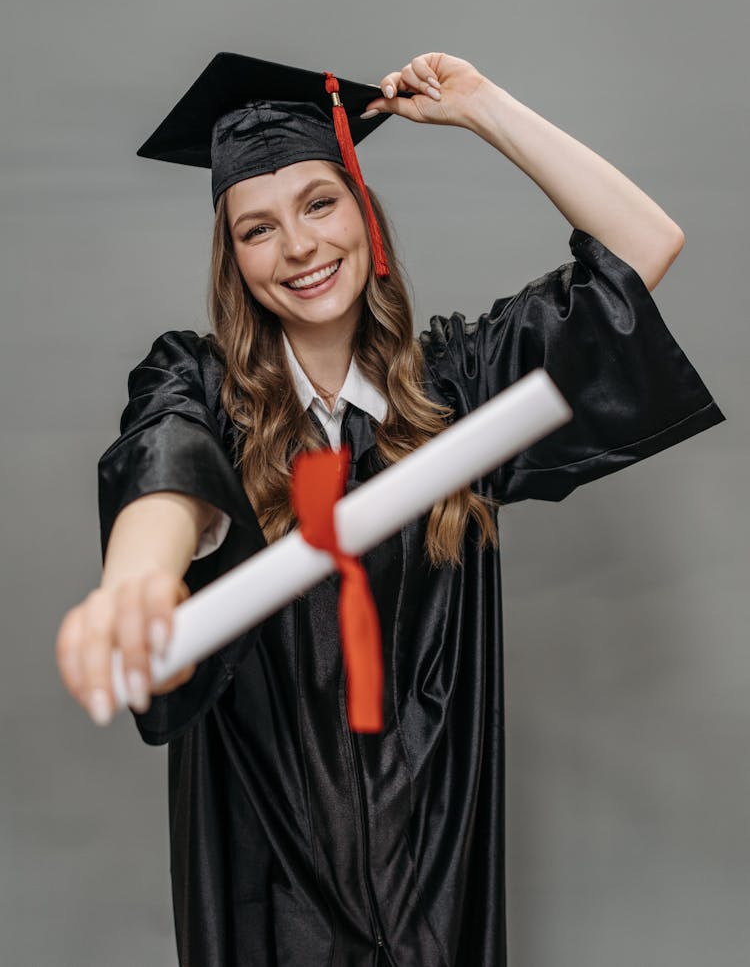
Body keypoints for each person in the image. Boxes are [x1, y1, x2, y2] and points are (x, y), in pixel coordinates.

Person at [56, 51, 725, 966]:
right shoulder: (200, 384)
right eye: (257, 229)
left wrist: (486, 109)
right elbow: (165, 463)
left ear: (365, 214)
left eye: (319, 204)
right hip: (274, 867)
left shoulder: (457, 393)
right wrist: (139, 575)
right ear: (234, 258)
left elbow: (645, 246)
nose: (297, 248)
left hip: (432, 861)